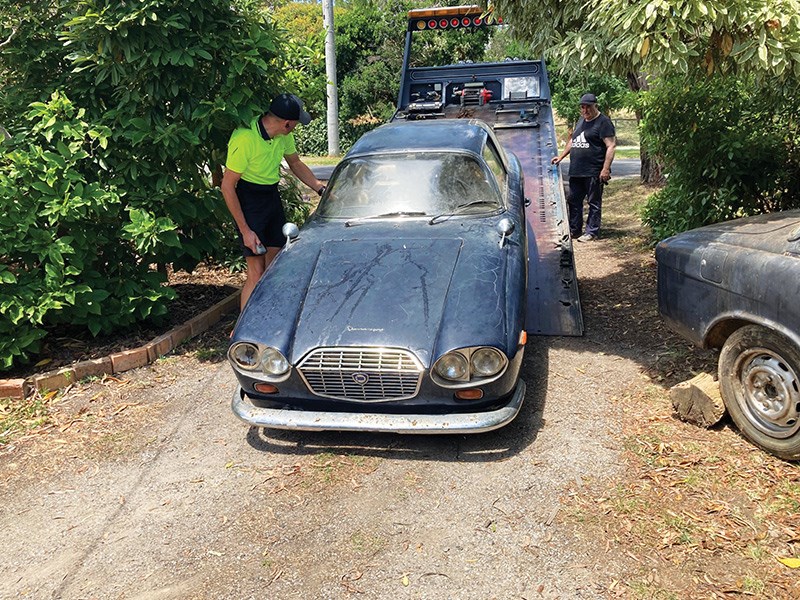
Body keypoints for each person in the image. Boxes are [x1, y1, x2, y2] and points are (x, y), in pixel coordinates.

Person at [221, 93, 326, 309]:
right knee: (256, 271)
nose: (298, 125)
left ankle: (269, 319)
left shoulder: (283, 135)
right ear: (287, 123)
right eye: (297, 122)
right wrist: (245, 231)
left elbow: (295, 163)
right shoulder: (244, 139)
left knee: (274, 267)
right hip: (248, 201)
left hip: (271, 197)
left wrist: (319, 187)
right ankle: (245, 330)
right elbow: (227, 186)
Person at [551, 93, 616, 242]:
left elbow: (611, 145)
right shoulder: (581, 121)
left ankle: (592, 231)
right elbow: (573, 140)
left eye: (588, 107)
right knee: (573, 200)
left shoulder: (603, 122)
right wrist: (561, 156)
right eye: (582, 107)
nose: (585, 110)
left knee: (594, 202)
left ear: (595, 106)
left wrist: (605, 169)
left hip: (593, 171)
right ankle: (575, 230)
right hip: (576, 170)